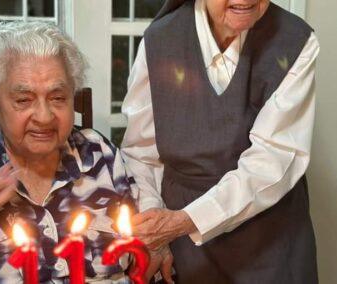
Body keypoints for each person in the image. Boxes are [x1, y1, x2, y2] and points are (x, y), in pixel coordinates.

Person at [121, 0, 320, 283]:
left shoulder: (296, 41)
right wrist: (156, 232)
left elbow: (273, 159)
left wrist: (184, 221)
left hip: (269, 240)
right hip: (184, 247)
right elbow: (141, 153)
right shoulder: (161, 39)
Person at [0, 21, 138, 283]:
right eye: (24, 100)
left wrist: (158, 245)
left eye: (58, 98)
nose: (44, 116)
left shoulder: (101, 154)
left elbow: (142, 247)